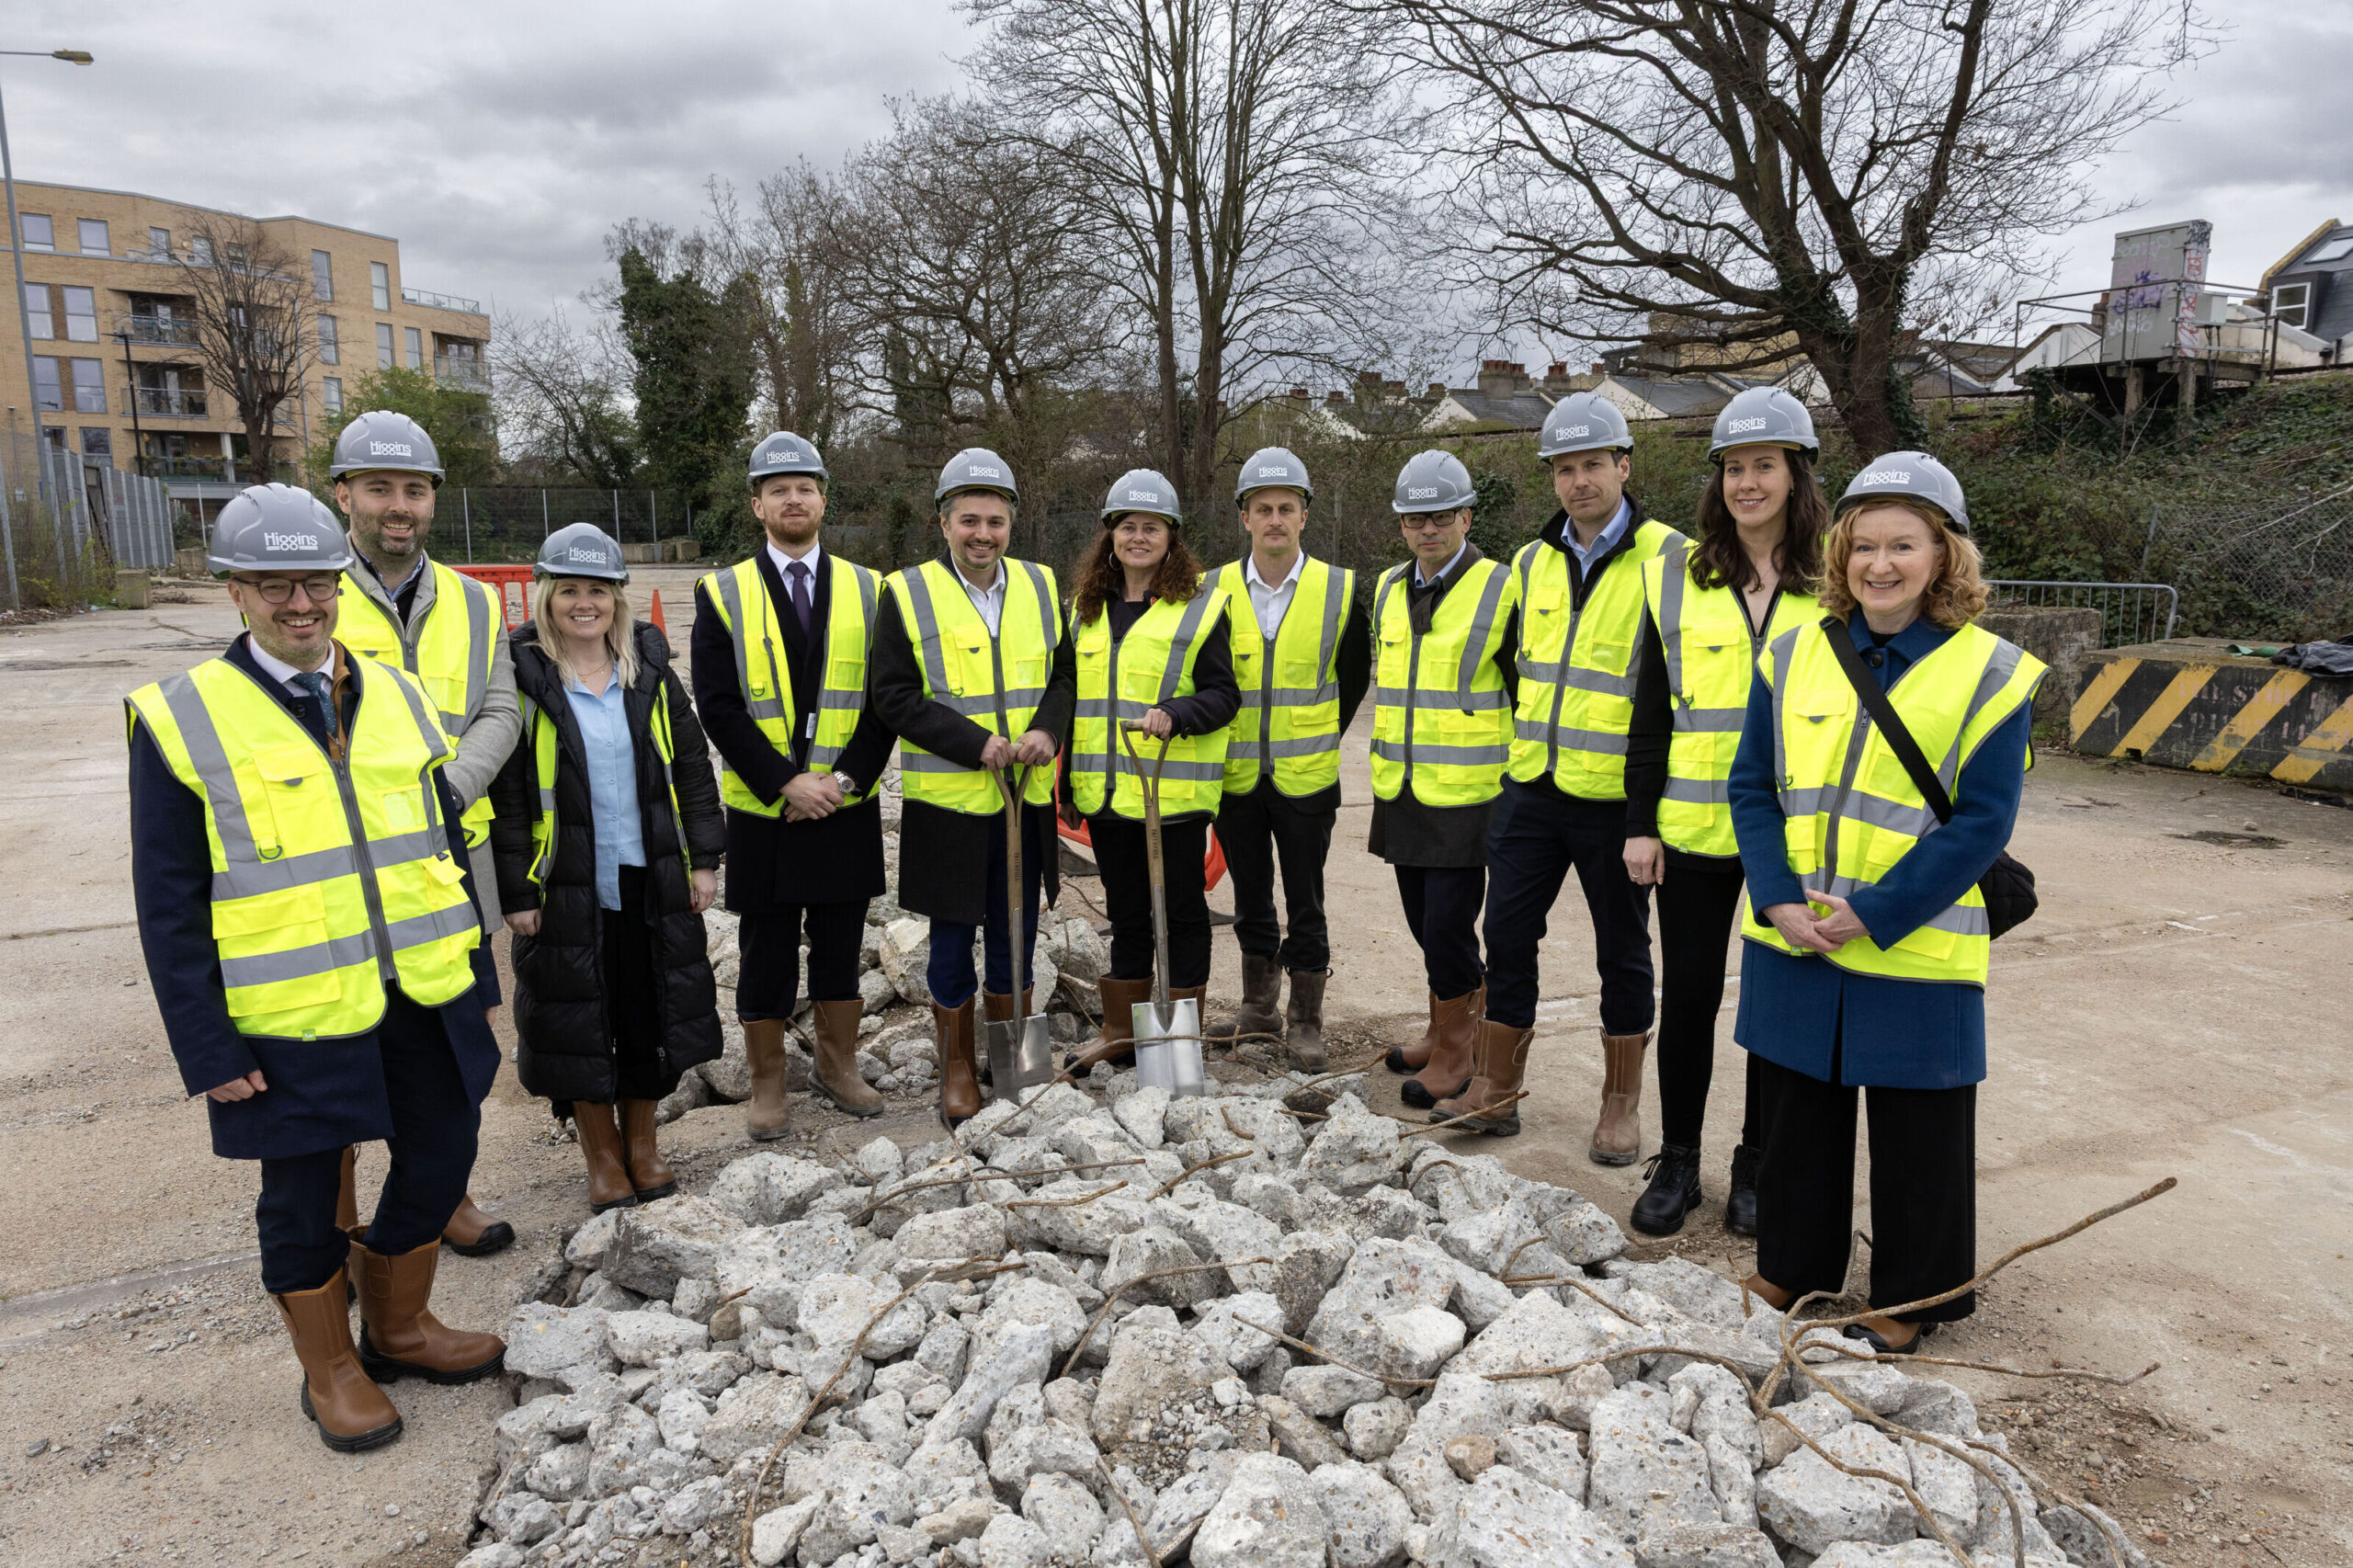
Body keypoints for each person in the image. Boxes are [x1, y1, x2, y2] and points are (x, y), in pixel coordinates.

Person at [127, 484, 505, 1454]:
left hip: (422, 985)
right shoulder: (182, 717)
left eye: (317, 583)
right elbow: (169, 903)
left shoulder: (395, 690)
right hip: (288, 1011)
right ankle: (329, 1367)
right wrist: (205, 1043)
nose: (302, 604)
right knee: (299, 1199)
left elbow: (440, 835)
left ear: (340, 583)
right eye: (274, 585)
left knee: (444, 1150)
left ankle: (399, 1325)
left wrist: (474, 977)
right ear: (236, 593)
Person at [1731, 453, 2043, 1353]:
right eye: (1861, 544)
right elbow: (1750, 787)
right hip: (1796, 937)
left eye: (1902, 543)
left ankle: (1913, 1295)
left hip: (1913, 942)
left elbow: (1981, 821)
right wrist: (1777, 899)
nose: (1878, 563)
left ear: (1944, 554)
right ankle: (1792, 1264)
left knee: (1919, 1132)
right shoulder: (1789, 654)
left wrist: (1874, 911)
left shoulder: (1993, 673)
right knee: (1795, 1116)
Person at [1441, 393, 1687, 1143]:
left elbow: (1674, 692)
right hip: (1532, 790)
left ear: (1623, 466)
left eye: (1593, 465)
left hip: (1616, 798)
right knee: (1508, 935)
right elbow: (1521, 667)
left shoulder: (1671, 559)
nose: (1579, 481)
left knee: (1623, 951)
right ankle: (1497, 1086)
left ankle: (1620, 1105)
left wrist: (1649, 811)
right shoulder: (1531, 561)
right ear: (1552, 478)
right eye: (1565, 469)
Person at [1620, 389, 1827, 1236]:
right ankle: (1678, 1165)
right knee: (1693, 1000)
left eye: (1764, 466)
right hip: (1696, 829)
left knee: (1775, 1010)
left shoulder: (1836, 576)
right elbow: (1650, 709)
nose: (1748, 483)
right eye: (1734, 468)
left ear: (1795, 474)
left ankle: (1755, 1168)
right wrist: (1639, 822)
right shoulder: (1677, 573)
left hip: (1799, 836)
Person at [328, 411, 522, 1259]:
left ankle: (444, 1191)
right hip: (345, 869)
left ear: (434, 499)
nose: (397, 506)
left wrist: (446, 788)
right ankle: (334, 1218)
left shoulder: (476, 603)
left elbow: (500, 709)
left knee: (453, 1045)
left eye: (414, 489)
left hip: (450, 858)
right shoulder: (310, 596)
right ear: (344, 496)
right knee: (342, 1046)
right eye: (379, 489)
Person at [490, 524, 725, 1213]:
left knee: (646, 1009)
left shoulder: (649, 671)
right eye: (570, 591)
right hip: (563, 882)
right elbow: (506, 796)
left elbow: (691, 770)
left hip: (646, 874)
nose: (584, 603)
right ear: (547, 597)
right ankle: (601, 1156)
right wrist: (516, 889)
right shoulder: (523, 678)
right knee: (577, 1021)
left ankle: (643, 1146)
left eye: (598, 590)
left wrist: (703, 860)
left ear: (617, 599)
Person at [692, 433, 897, 1136]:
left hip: (843, 803)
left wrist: (840, 780)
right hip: (766, 812)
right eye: (777, 489)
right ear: (757, 505)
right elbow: (717, 705)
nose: (793, 498)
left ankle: (839, 1068)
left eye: (804, 486)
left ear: (823, 499)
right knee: (768, 948)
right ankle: (768, 1085)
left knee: (841, 943)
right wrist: (786, 782)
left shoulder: (872, 590)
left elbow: (884, 701)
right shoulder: (721, 593)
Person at [870, 449, 1075, 1127]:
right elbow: (894, 697)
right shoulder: (906, 592)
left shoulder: (1043, 586)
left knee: (1016, 935)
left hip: (1026, 803)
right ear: (943, 522)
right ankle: (958, 1068)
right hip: (951, 808)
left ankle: (1011, 1057)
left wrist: (1048, 729)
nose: (982, 534)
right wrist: (972, 742)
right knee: (954, 940)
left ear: (1011, 523)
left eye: (994, 521)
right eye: (969, 521)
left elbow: (1063, 679)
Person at [1060, 471, 1241, 1070]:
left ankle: (1181, 1040)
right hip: (1107, 795)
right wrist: (1067, 787)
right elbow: (1072, 704)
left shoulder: (1199, 608)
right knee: (1127, 913)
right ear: (1111, 535)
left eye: (1152, 528)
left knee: (1184, 915)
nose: (1139, 537)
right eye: (1128, 526)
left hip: (1172, 796)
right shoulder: (1084, 613)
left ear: (1171, 537)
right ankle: (1123, 1032)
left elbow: (1223, 695)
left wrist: (1176, 713)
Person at [1200, 447, 1372, 1068]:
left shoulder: (1339, 588)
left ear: (1304, 516)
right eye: (1262, 509)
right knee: (1251, 894)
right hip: (1237, 777)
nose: (1275, 519)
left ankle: (1305, 1019)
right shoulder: (1211, 589)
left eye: (1286, 508)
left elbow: (1352, 679)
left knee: (1307, 898)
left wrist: (1318, 734)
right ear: (1244, 517)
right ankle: (1258, 1007)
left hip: (1306, 778)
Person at [1369, 451, 1521, 1111]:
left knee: (1448, 929)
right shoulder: (1387, 588)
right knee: (1418, 922)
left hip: (1469, 795)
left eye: (1438, 517)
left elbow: (1523, 694)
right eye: (1413, 519)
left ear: (1465, 515)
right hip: (1400, 789)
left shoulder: (1502, 587)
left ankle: (1463, 1053)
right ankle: (1445, 1028)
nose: (1426, 530)